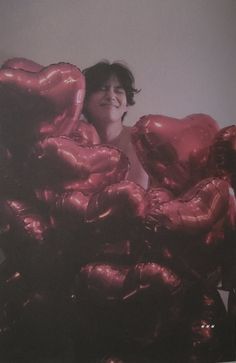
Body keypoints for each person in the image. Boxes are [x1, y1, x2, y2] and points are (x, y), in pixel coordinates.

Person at [82, 61, 149, 189]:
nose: (111, 96)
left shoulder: (141, 141)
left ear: (127, 105)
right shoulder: (72, 142)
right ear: (85, 101)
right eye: (102, 89)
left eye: (118, 90)